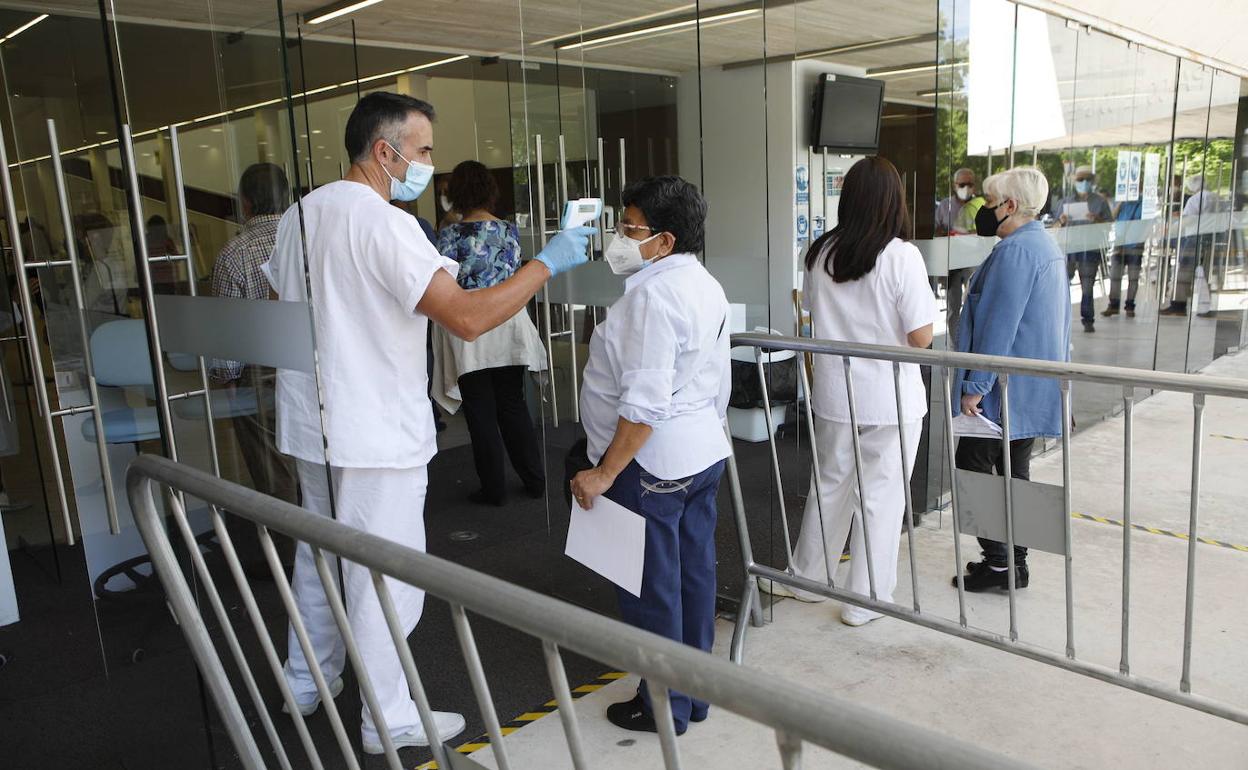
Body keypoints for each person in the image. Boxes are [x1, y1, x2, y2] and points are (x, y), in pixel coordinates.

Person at [267, 92, 593, 754]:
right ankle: (386, 719)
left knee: (319, 557)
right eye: (421, 152)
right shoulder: (384, 224)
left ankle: (306, 681)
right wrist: (546, 263)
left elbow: (286, 292)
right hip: (374, 430)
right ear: (383, 152)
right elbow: (466, 317)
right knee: (383, 572)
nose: (427, 167)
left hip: (313, 423)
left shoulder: (304, 212)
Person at [569, 175, 729, 736]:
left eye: (628, 226)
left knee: (650, 589)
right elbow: (716, 377)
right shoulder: (703, 283)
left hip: (650, 464)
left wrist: (603, 474)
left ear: (662, 240)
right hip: (699, 451)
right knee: (692, 578)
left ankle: (662, 704)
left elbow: (642, 405)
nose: (618, 236)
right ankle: (694, 693)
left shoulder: (653, 297)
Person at [759, 157, 936, 626]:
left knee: (830, 485)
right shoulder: (901, 256)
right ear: (893, 200)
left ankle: (809, 579)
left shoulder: (819, 254)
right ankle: (865, 600)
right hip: (891, 398)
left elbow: (813, 317)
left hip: (836, 393)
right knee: (881, 495)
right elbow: (921, 337)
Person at [952, 166, 1070, 592]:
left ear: (1010, 205)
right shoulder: (1045, 246)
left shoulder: (1016, 253)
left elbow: (998, 327)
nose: (983, 207)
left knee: (974, 466)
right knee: (1016, 473)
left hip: (1004, 392)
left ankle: (999, 563)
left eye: (988, 200)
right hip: (1031, 389)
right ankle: (1016, 563)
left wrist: (974, 387)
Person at [434, 160, 546, 505]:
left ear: (457, 194)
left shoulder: (450, 235)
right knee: (512, 404)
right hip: (508, 322)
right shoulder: (509, 230)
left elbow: (444, 286)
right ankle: (535, 479)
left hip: (470, 327)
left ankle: (493, 489)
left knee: (480, 411)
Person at [209, 163, 299, 576]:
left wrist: (226, 379)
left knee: (272, 465)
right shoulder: (310, 241)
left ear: (244, 203)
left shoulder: (234, 253)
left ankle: (290, 558)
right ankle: (331, 547)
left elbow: (228, 331)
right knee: (317, 459)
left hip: (263, 372)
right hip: (315, 364)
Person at [1055, 165, 1112, 333]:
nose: (1084, 182)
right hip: (1069, 248)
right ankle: (1059, 318)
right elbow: (1056, 226)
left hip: (1090, 248)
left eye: (1088, 179)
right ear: (1074, 181)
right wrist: (1062, 221)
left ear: (1092, 181)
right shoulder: (1065, 201)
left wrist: (1097, 219)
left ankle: (1088, 320)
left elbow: (1109, 225)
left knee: (1087, 286)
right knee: (1062, 285)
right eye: (1080, 179)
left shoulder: (1100, 201)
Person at [1162, 174, 1223, 316]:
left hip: (1194, 238)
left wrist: (1171, 229)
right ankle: (1210, 307)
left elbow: (1187, 221)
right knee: (1208, 274)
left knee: (1184, 271)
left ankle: (1178, 306)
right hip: (1211, 238)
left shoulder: (1195, 199)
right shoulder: (1216, 197)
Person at [935, 168, 982, 346]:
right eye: (962, 184)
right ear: (955, 185)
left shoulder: (980, 205)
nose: (966, 188)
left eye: (969, 184)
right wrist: (949, 234)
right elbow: (935, 231)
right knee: (953, 307)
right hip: (952, 263)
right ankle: (957, 345)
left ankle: (973, 343)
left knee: (974, 303)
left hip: (973, 262)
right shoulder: (945, 206)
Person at [1103, 196, 1144, 318]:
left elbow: (1142, 221)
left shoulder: (1142, 203)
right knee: (1115, 275)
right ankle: (1113, 304)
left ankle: (1130, 305)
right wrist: (1121, 202)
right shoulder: (1121, 201)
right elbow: (1112, 217)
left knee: (1133, 277)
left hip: (1135, 244)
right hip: (1119, 243)